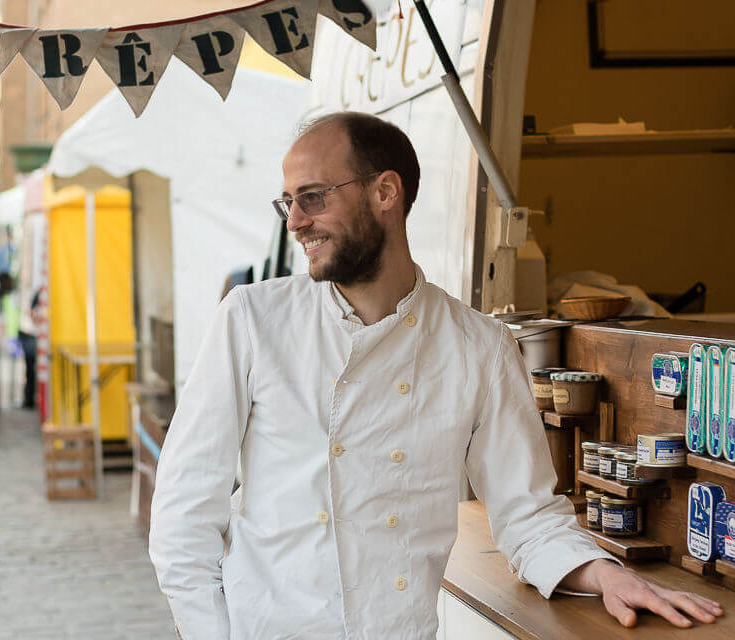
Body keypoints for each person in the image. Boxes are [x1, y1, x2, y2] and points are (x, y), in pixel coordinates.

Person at [149, 112, 723, 639]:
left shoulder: (479, 347)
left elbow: (528, 515)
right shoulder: (253, 320)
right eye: (288, 203)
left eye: (313, 198)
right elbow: (184, 514)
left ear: (385, 192)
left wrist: (607, 574)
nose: (296, 221)